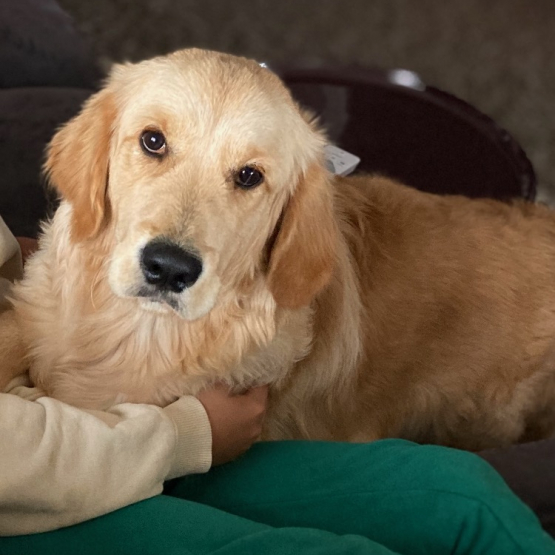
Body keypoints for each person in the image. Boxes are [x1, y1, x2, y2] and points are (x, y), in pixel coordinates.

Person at [1, 216, 554, 555]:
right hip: (29, 491)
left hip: (90, 434)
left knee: (463, 497)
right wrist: (188, 436)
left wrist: (24, 256)